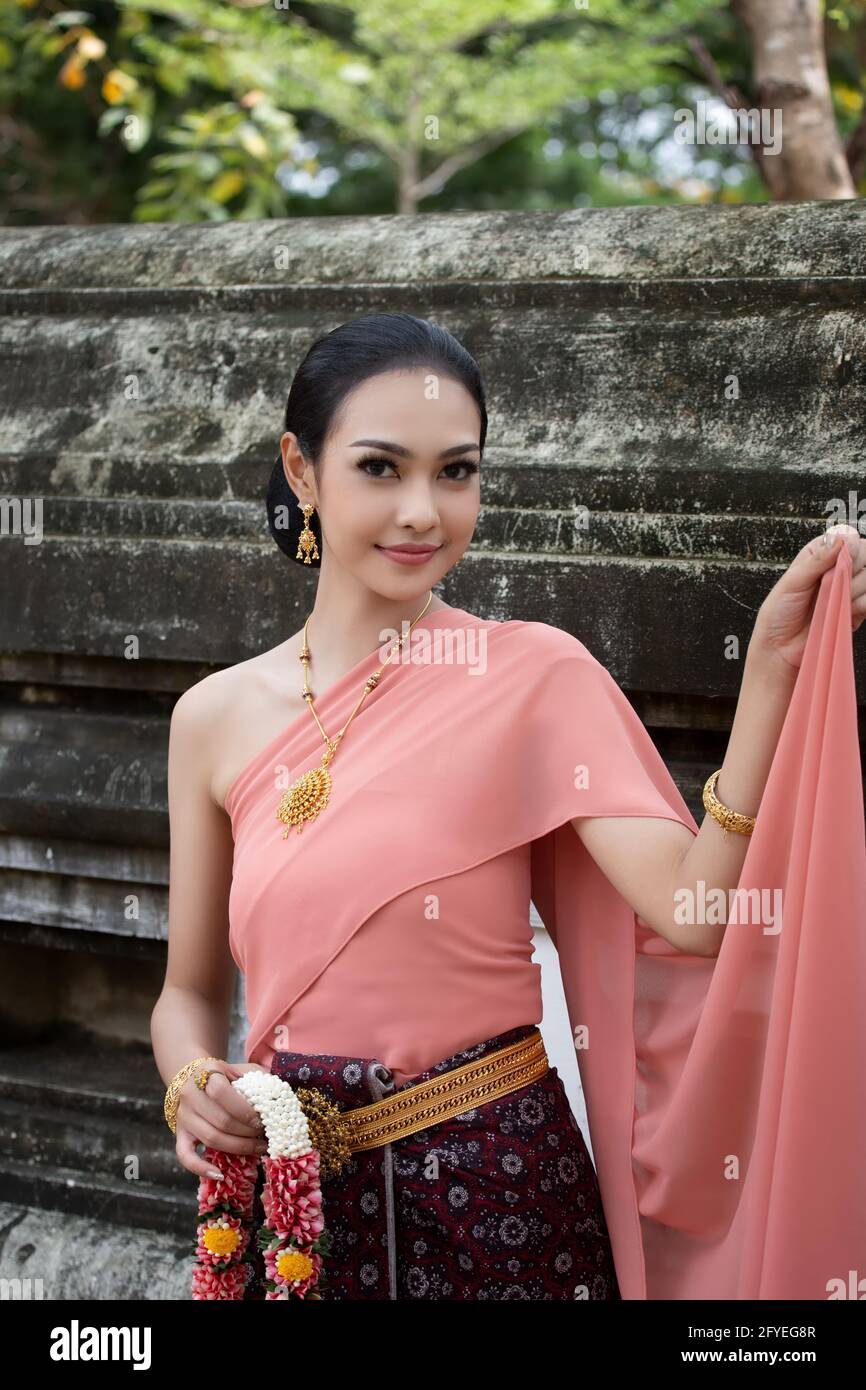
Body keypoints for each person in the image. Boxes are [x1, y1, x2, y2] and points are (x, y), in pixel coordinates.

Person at [152, 312, 866, 1301]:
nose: (420, 511)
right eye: (379, 468)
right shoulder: (212, 718)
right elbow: (186, 991)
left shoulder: (533, 676)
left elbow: (692, 915)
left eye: (454, 472)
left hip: (499, 1203)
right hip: (297, 1202)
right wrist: (192, 1081)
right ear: (301, 470)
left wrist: (770, 678)